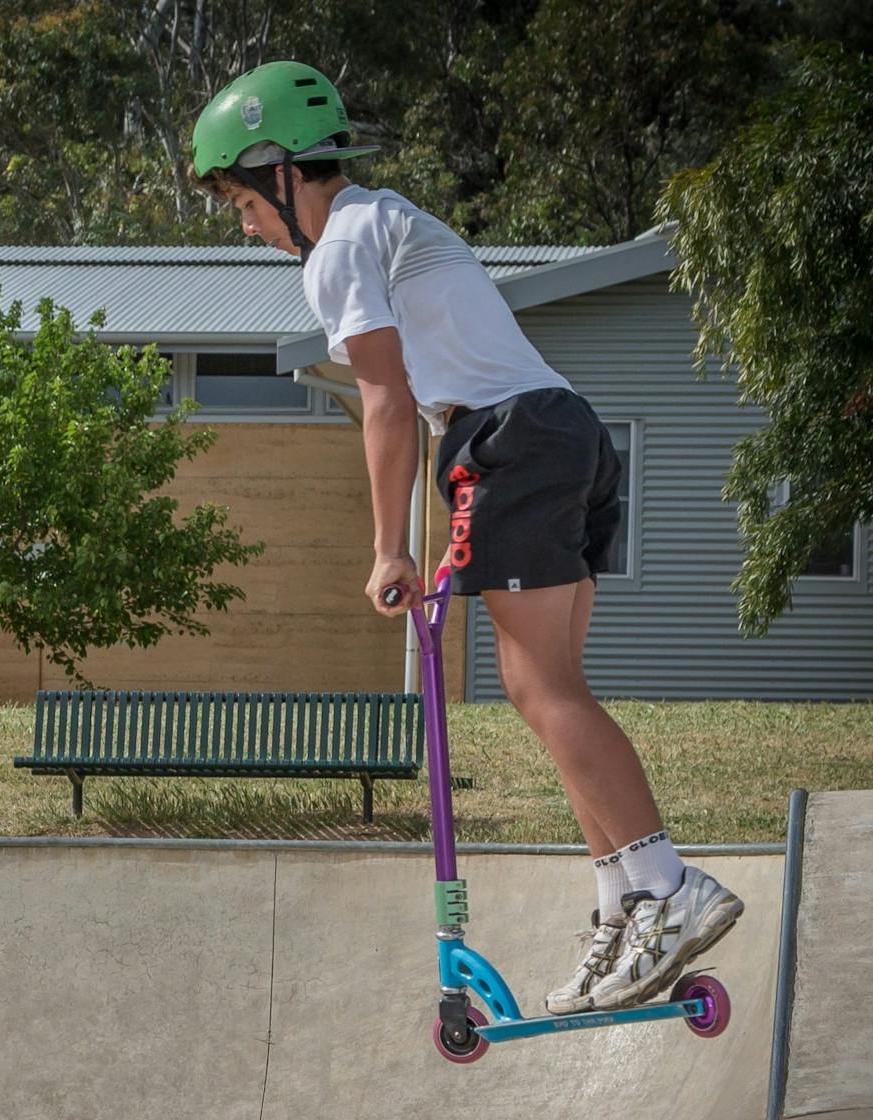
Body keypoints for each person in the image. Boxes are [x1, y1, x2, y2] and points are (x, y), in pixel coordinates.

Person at [188, 60, 743, 1013]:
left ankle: (667, 886)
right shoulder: (387, 218)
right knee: (548, 687)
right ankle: (622, 904)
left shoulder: (339, 247)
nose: (247, 226)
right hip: (562, 428)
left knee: (540, 687)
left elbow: (384, 399)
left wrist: (389, 548)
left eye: (243, 202)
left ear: (280, 170)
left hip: (509, 439)